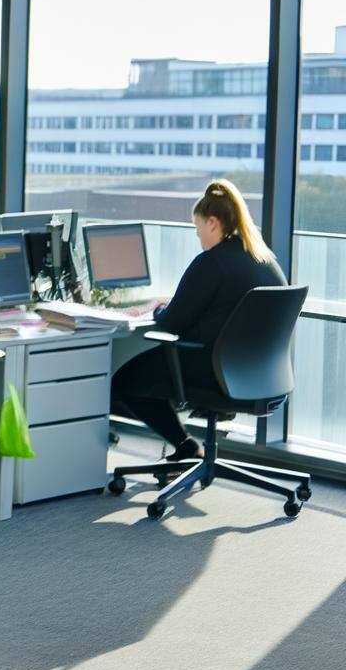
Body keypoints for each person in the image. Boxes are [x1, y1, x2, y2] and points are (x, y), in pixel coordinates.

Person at [111, 180, 287, 460]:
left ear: (213, 223)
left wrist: (158, 308)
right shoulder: (266, 260)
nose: (199, 236)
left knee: (123, 382)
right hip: (264, 377)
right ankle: (187, 448)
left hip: (216, 372)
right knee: (151, 375)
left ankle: (186, 445)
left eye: (198, 228)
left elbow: (170, 325)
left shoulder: (211, 262)